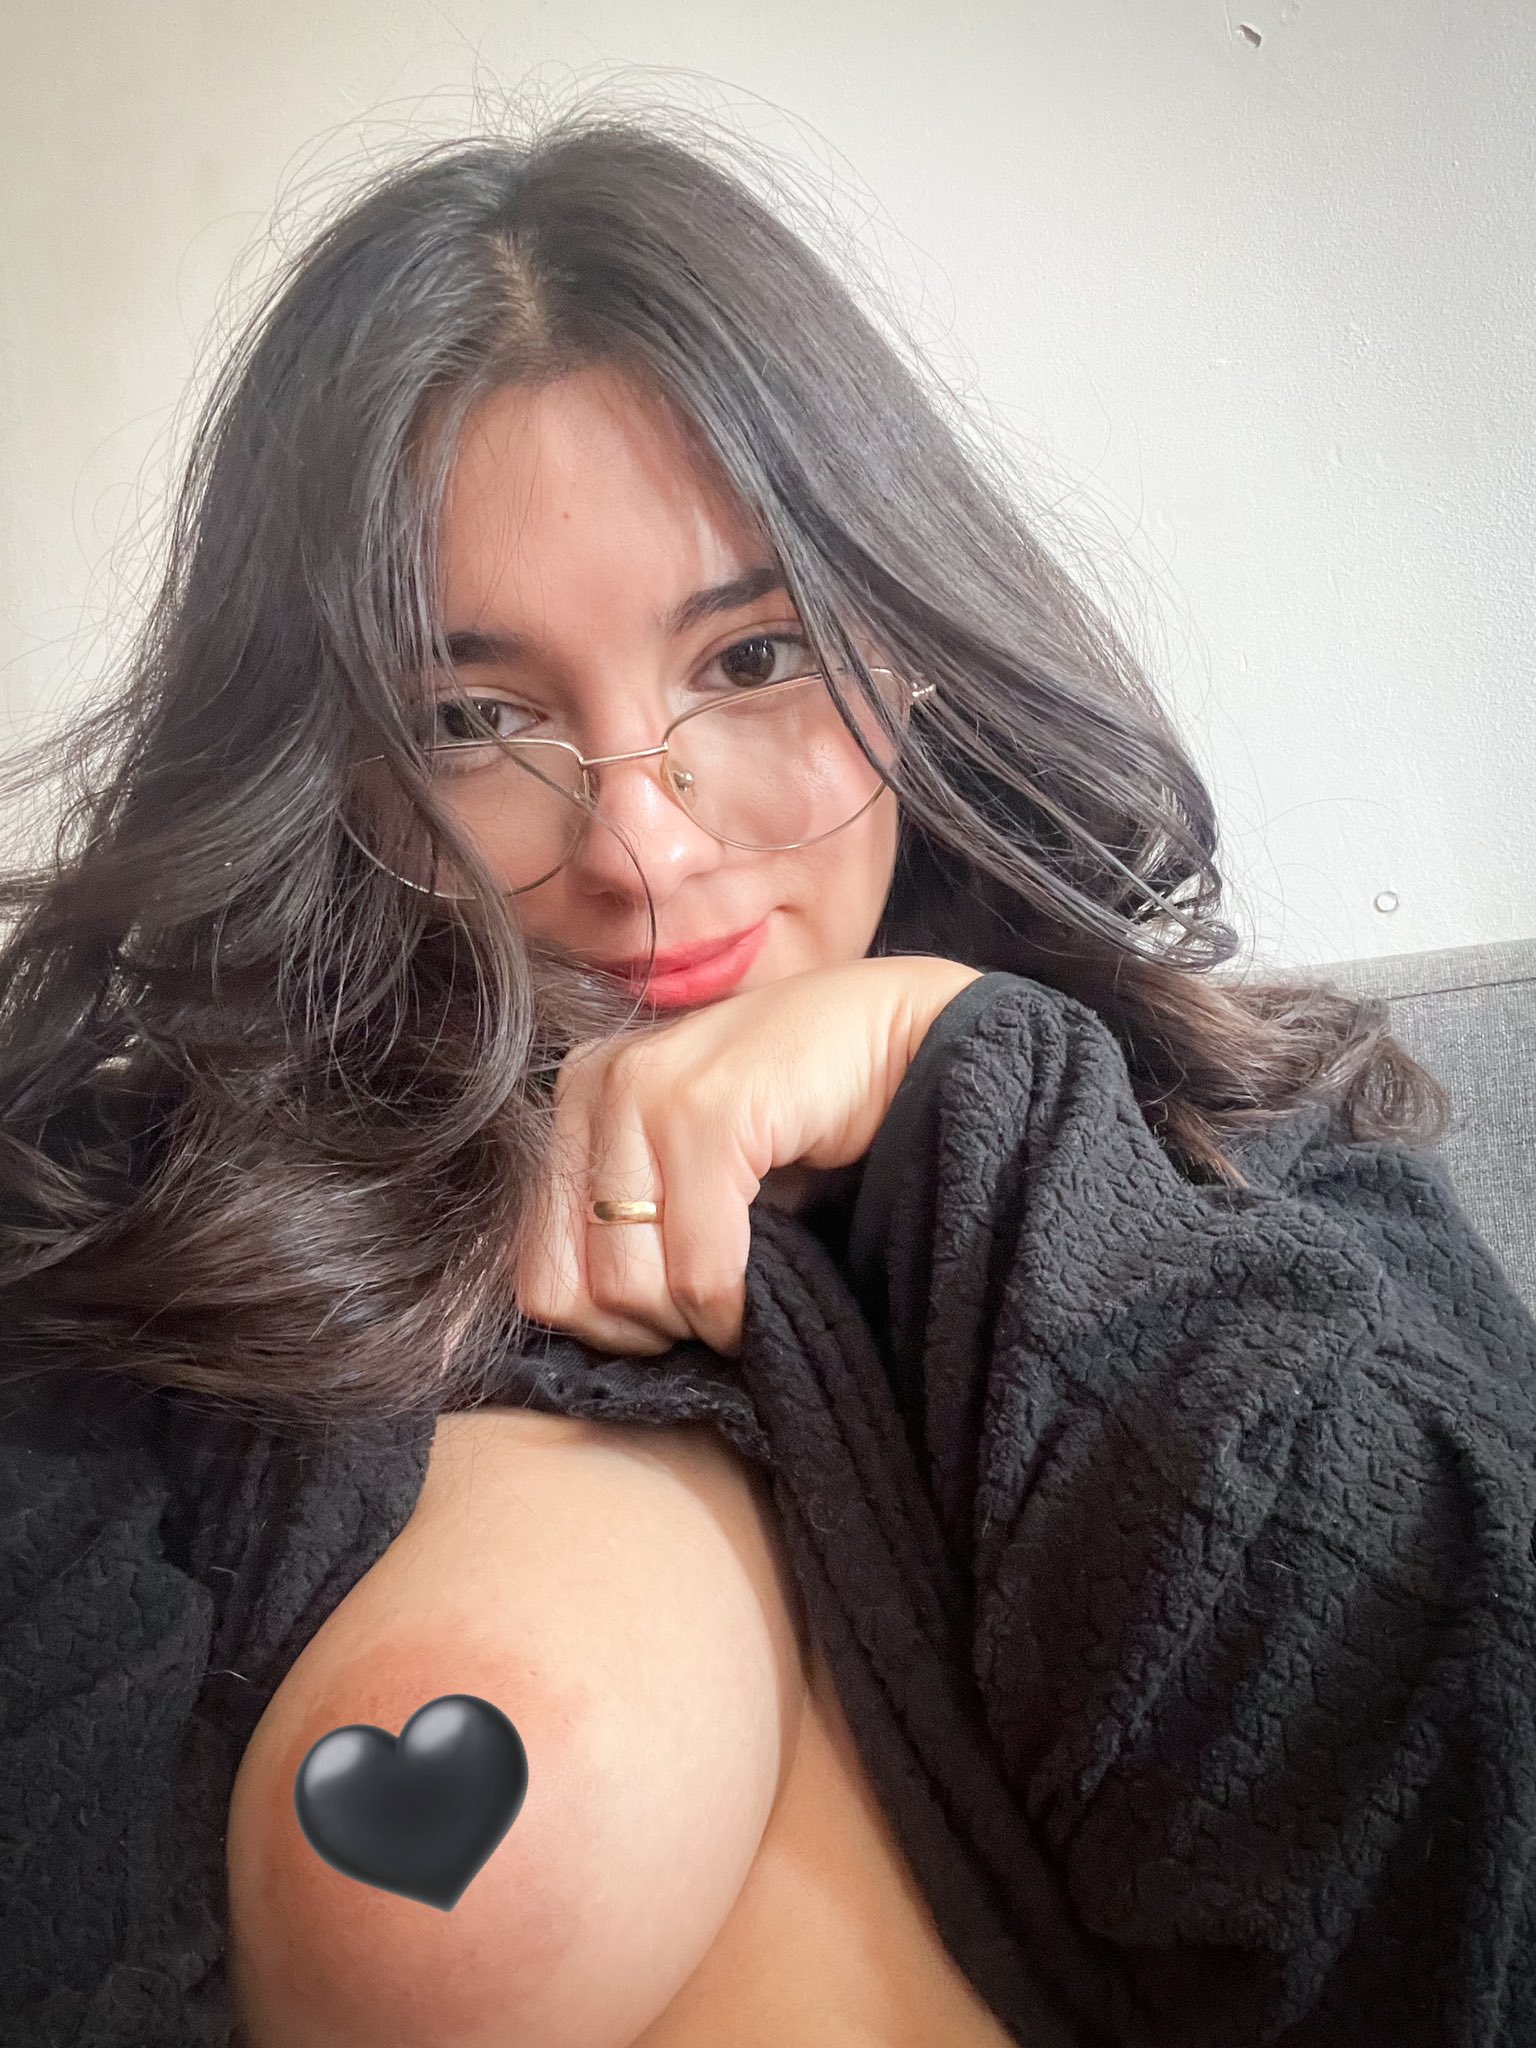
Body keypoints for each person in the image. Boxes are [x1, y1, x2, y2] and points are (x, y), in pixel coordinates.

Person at [2, 100, 1513, 2048]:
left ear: (911, 644)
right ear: (338, 764)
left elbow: (1473, 1852)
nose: (639, 846)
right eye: (474, 714)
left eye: (749, 659)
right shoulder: (135, 1247)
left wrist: (972, 1085)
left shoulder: (1238, 1130)